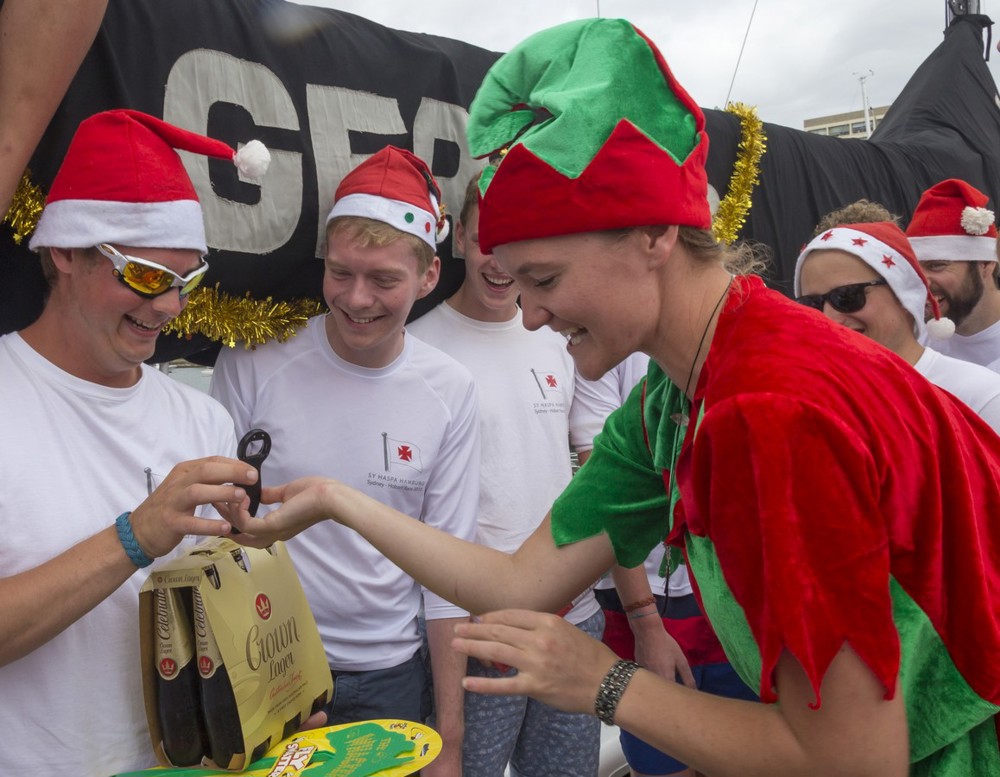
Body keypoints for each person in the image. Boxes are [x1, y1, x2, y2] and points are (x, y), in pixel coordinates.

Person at [228, 18, 1000, 776]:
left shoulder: (768, 407)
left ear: (654, 235)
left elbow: (853, 761)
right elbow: (518, 582)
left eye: (545, 279)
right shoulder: (676, 396)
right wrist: (334, 499)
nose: (529, 315)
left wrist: (603, 680)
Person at [0, 109, 270, 776]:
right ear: (64, 251)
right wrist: (134, 537)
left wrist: (271, 706)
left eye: (187, 281)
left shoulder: (201, 421)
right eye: (148, 276)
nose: (171, 307)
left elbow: (220, 619)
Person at [210, 145, 478, 776]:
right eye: (341, 273)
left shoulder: (451, 390)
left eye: (385, 279)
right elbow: (213, 533)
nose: (357, 299)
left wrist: (451, 743)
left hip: (391, 678)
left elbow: (448, 581)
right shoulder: (255, 363)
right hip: (265, 671)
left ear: (429, 276)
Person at [408, 173, 602, 777]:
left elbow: (592, 476)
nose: (498, 261)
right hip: (472, 632)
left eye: (516, 239)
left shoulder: (559, 336)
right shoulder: (416, 347)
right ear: (459, 235)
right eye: (486, 237)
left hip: (572, 619)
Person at [575, 352, 757, 777]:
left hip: (735, 600)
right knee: (662, 765)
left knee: (748, 756)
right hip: (650, 601)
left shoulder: (745, 343)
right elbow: (607, 506)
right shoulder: (603, 350)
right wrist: (645, 623)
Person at [796, 220, 1000, 433]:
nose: (830, 318)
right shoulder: (811, 402)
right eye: (812, 304)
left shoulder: (981, 399)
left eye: (847, 296)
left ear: (904, 295)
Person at [906, 178, 1000, 369]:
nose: (921, 281)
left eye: (936, 265)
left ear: (986, 264)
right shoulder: (912, 336)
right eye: (915, 267)